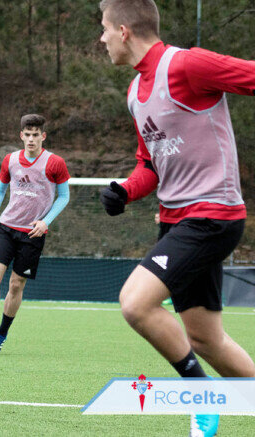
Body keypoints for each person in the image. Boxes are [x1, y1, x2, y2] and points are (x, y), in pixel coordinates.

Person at [97, 1, 255, 435]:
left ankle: (200, 396)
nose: (102, 38)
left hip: (212, 215)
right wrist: (125, 192)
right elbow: (150, 164)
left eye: (105, 28)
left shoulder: (187, 65)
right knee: (205, 339)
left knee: (135, 302)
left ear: (125, 30)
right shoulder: (134, 94)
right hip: (176, 221)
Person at [0, 114, 70, 354]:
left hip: (32, 235)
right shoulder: (11, 160)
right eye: (27, 134)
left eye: (36, 135)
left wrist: (45, 222)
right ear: (21, 136)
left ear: (43, 136)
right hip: (6, 227)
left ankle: (2, 333)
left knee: (16, 286)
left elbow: (64, 196)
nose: (31, 139)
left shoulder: (55, 163)